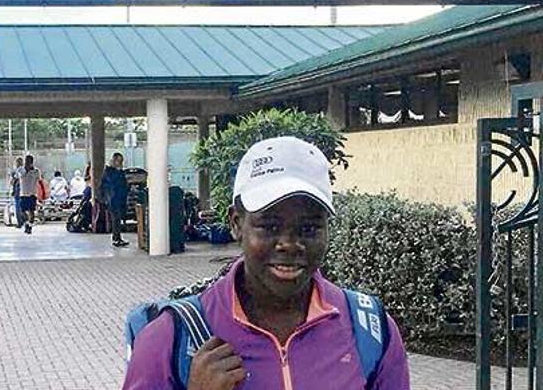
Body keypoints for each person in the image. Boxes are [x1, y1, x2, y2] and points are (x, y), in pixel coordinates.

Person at [123, 137, 410, 390]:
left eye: (309, 228)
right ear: (237, 224)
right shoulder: (170, 338)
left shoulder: (370, 331)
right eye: (269, 226)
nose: (289, 244)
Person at [100, 153, 129, 247]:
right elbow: (114, 183)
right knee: (115, 219)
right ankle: (116, 238)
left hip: (118, 198)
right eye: (119, 161)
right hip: (113, 199)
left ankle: (117, 237)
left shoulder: (116, 171)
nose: (120, 163)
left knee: (117, 219)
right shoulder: (110, 172)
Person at [18, 154, 42, 234]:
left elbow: (39, 181)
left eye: (29, 161)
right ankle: (26, 223)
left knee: (32, 211)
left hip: (32, 193)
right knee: (22, 211)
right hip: (23, 193)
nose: (28, 162)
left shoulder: (36, 171)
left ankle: (30, 225)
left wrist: (42, 193)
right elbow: (18, 177)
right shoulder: (21, 170)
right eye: (27, 161)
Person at [10, 157, 24, 228]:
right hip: (25, 190)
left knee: (17, 206)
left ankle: (20, 222)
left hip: (18, 189)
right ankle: (25, 220)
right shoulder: (25, 170)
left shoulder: (17, 170)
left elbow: (13, 181)